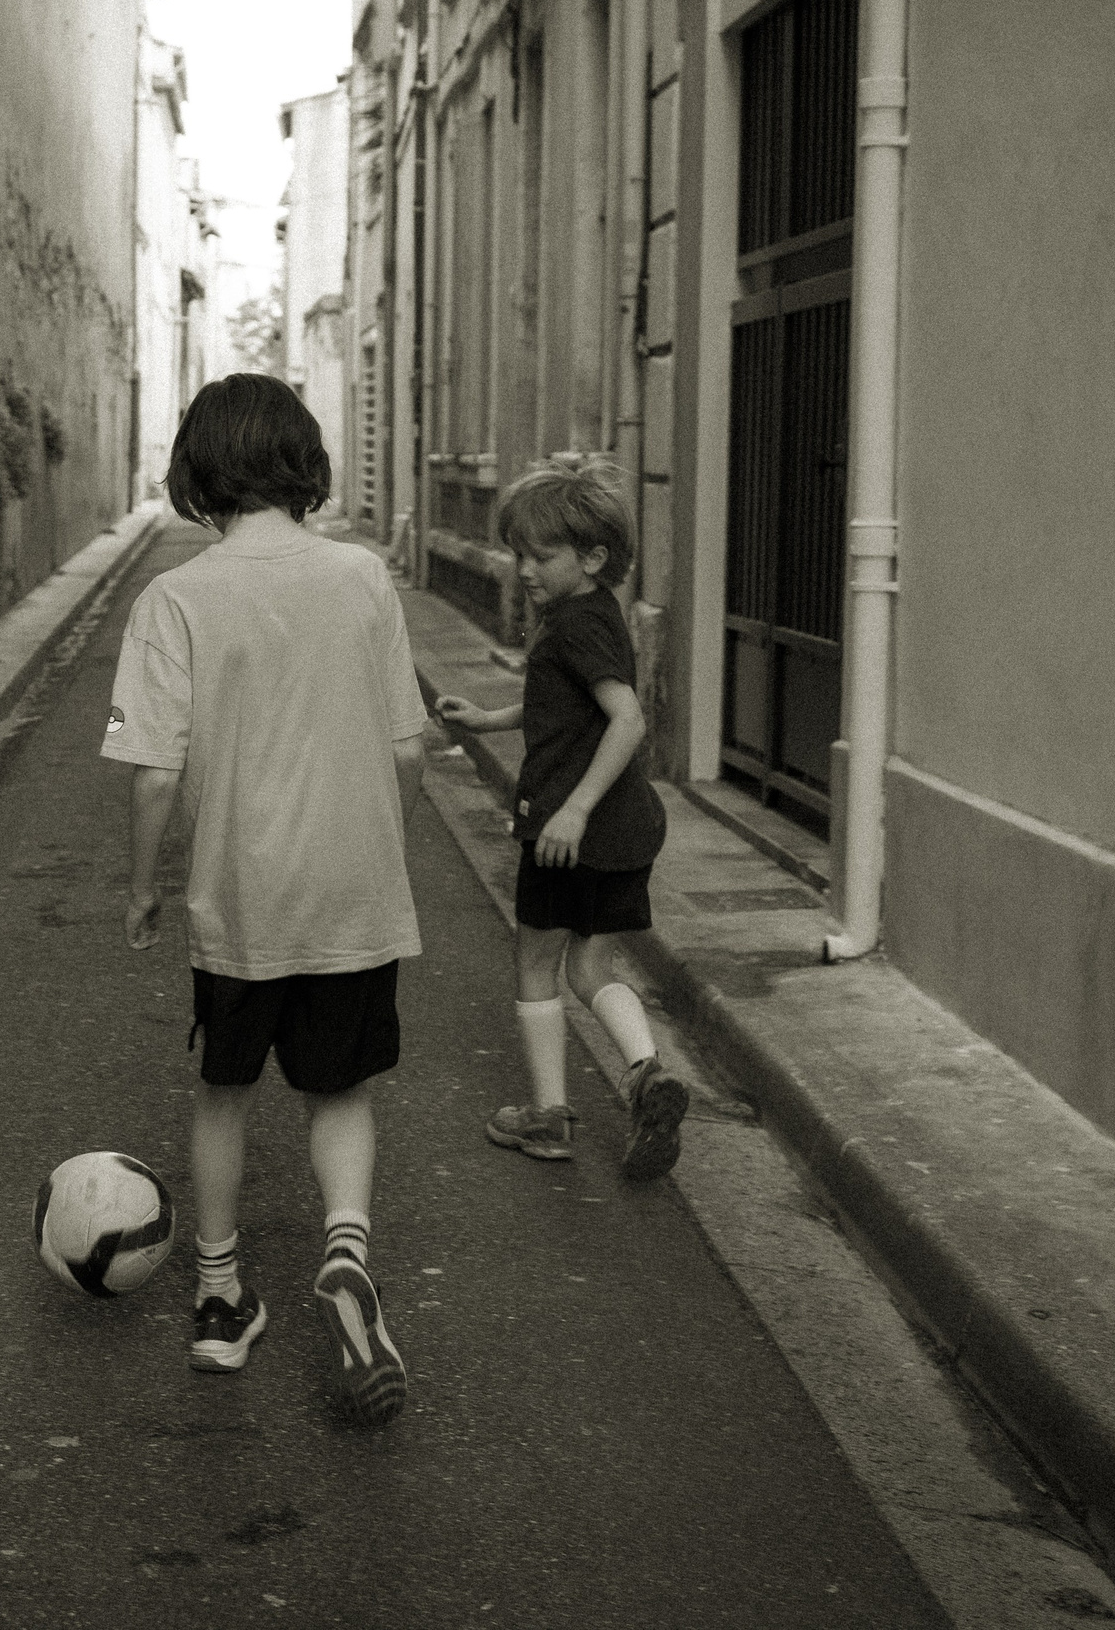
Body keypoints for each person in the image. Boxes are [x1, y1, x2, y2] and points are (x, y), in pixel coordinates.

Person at [104, 374, 428, 1425]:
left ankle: (217, 1297)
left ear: (197, 472)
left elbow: (152, 773)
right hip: (352, 892)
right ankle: (345, 1254)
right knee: (341, 1091)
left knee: (224, 1091)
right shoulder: (364, 578)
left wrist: (143, 885)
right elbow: (407, 749)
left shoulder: (173, 599)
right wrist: (383, 850)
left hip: (238, 898)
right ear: (305, 462)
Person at [434, 458, 689, 1181]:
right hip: (626, 832)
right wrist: (489, 718)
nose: (524, 569)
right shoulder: (596, 612)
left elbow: (627, 720)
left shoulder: (572, 628)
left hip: (568, 835)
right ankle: (645, 1073)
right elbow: (566, 704)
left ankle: (548, 1117)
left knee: (536, 964)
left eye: (540, 556)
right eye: (518, 553)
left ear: (593, 556)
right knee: (591, 965)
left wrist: (573, 810)